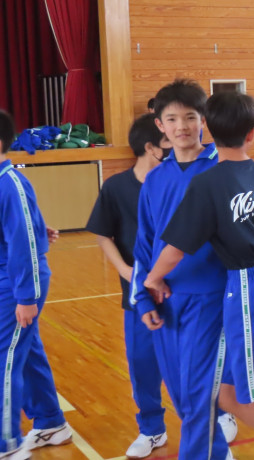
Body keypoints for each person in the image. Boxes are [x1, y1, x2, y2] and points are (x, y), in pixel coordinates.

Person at [144, 91, 254, 460]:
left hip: (246, 287)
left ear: (206, 128)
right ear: (252, 133)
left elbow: (176, 248)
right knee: (226, 394)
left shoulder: (208, 182)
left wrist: (152, 279)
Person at [131, 79, 234, 460]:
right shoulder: (155, 179)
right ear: (160, 125)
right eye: (172, 119)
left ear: (203, 119)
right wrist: (142, 298)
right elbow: (144, 245)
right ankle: (218, 453)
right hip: (164, 300)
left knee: (197, 392)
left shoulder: (224, 168)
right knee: (181, 395)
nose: (182, 126)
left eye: (190, 117)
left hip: (211, 299)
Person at [86, 113, 172, 458]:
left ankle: (218, 416)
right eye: (167, 140)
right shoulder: (117, 187)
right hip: (138, 295)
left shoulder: (178, 182)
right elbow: (102, 232)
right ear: (151, 147)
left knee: (196, 362)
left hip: (181, 290)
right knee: (142, 363)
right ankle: (152, 429)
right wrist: (124, 269)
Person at [0, 110, 72, 460]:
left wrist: (26, 297)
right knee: (26, 353)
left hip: (15, 283)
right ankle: (51, 421)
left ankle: (7, 444)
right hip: (10, 277)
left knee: (5, 358)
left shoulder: (10, 182)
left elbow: (22, 243)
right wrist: (39, 231)